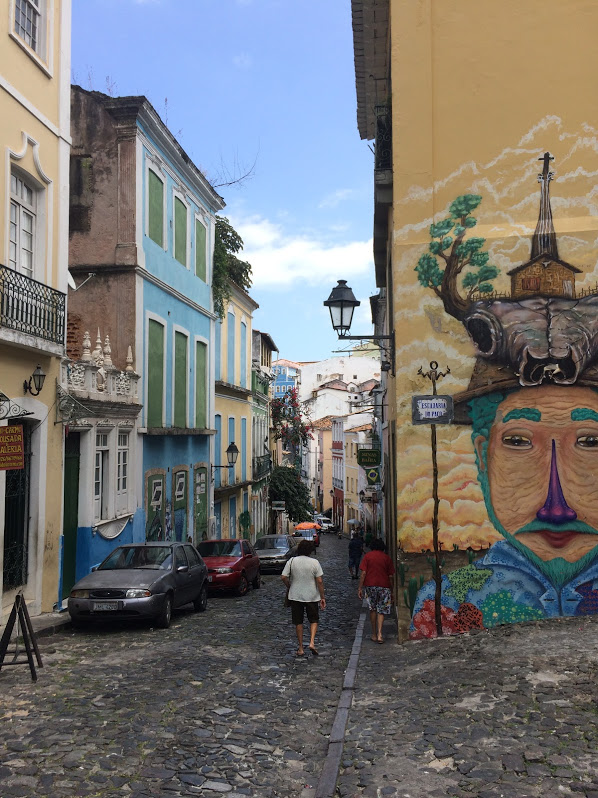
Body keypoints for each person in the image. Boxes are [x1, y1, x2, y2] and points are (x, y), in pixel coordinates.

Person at [281, 539, 326, 656]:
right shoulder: (315, 562)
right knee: (314, 619)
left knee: (298, 621)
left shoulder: (292, 561)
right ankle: (311, 642)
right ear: (310, 550)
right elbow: (320, 581)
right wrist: (322, 597)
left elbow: (283, 577)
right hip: (312, 595)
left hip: (295, 595)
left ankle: (301, 648)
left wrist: (289, 585)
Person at [358, 538, 395, 643]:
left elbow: (363, 573)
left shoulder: (367, 557)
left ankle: (373, 634)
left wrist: (360, 587)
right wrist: (392, 590)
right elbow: (391, 576)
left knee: (372, 609)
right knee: (382, 610)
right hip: (384, 587)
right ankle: (380, 634)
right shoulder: (386, 558)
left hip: (370, 586)